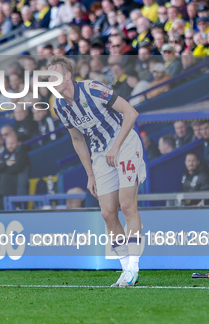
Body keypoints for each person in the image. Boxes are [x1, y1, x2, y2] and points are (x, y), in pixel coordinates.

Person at [49, 55, 145, 287]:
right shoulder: (59, 106)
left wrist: (116, 146)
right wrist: (90, 174)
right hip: (100, 153)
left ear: (68, 76)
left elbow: (131, 112)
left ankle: (133, 266)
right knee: (107, 213)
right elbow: (77, 140)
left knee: (127, 205)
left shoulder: (92, 89)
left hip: (124, 143)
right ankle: (124, 269)